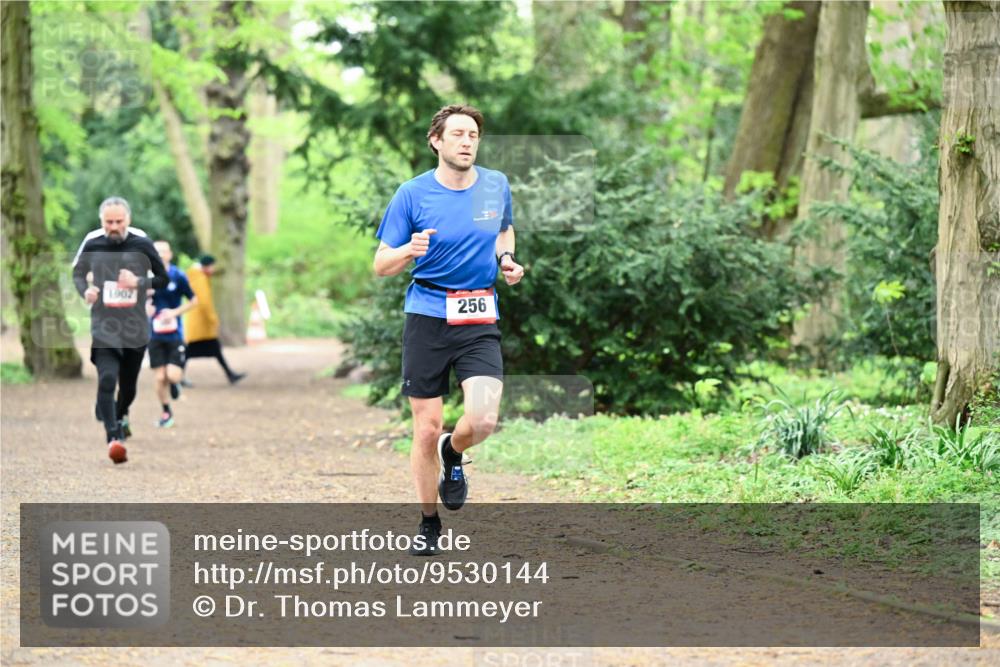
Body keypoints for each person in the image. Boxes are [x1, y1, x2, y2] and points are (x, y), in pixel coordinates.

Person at [373, 104, 525, 555]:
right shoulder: (412, 194)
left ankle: (453, 454)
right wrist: (407, 250)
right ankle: (428, 521)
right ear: (436, 141)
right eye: (457, 134)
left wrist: (506, 261)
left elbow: (505, 230)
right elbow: (381, 264)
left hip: (478, 313)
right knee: (425, 427)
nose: (466, 142)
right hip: (427, 314)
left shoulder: (495, 185)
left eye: (473, 135)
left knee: (483, 419)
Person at [72, 196, 169, 464]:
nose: (113, 227)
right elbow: (78, 274)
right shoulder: (93, 244)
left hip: (134, 326)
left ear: (128, 220)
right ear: (101, 221)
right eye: (108, 222)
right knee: (106, 379)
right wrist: (86, 291)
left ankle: (120, 412)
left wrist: (138, 281)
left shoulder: (142, 244)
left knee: (128, 387)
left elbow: (163, 278)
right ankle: (113, 438)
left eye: (118, 221)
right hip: (104, 324)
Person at [148, 240, 198, 428]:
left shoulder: (178, 276)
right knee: (160, 377)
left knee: (173, 375)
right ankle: (166, 412)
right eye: (156, 252)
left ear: (170, 254)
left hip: (175, 333)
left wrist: (174, 313)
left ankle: (175, 384)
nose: (160, 255)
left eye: (163, 252)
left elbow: (194, 300)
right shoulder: (146, 277)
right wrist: (146, 309)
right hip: (154, 334)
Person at [184, 255, 246, 384]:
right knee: (189, 352)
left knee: (211, 350)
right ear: (206, 266)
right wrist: (213, 319)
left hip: (199, 322)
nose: (213, 269)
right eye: (212, 266)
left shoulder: (196, 277)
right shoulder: (200, 279)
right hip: (202, 323)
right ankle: (177, 377)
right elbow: (205, 302)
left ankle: (230, 374)